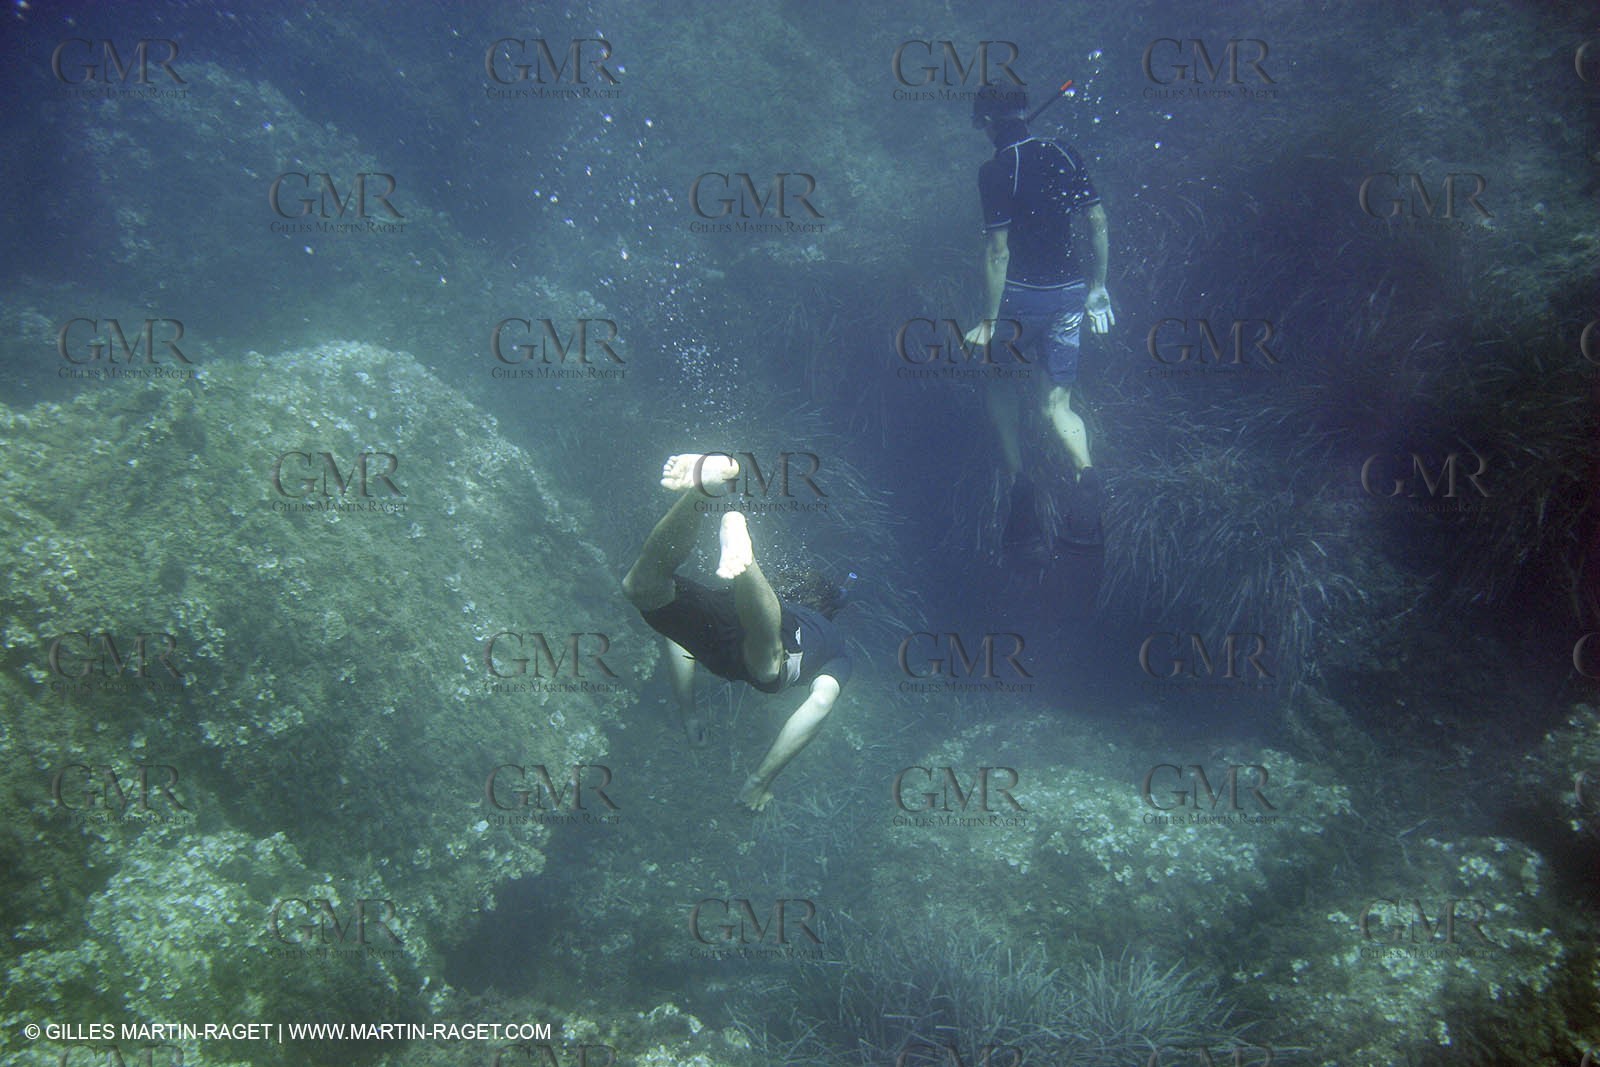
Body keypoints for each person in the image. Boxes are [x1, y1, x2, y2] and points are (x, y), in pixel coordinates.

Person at [621, 453, 852, 811]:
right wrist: (760, 780)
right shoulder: (834, 645)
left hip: (729, 615)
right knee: (768, 666)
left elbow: (679, 643)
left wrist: (689, 713)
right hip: (763, 637)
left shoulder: (774, 600)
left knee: (643, 588)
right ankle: (745, 556)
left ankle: (704, 493)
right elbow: (821, 702)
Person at [963, 84, 1114, 551]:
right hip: (1070, 295)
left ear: (986, 124)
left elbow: (998, 251)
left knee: (998, 382)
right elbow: (1097, 221)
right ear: (1025, 112)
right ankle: (1086, 474)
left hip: (1020, 301)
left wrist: (989, 321)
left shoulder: (994, 170)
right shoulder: (1064, 152)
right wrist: (1098, 287)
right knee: (1057, 406)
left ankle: (1019, 483)